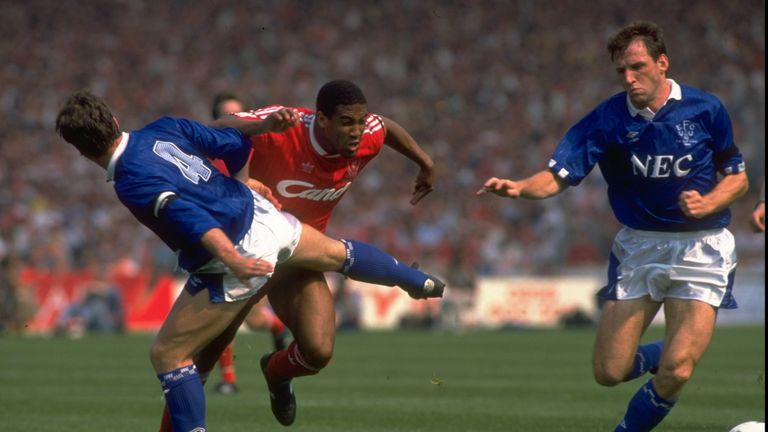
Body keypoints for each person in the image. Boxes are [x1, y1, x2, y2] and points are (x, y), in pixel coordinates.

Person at [55, 90, 444, 432]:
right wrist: (241, 180)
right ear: (115, 119)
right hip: (263, 214)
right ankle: (416, 280)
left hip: (235, 257)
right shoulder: (163, 127)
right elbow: (231, 143)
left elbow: (185, 217)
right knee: (335, 252)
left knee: (171, 355)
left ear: (81, 151)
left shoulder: (130, 179)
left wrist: (231, 257)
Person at [477, 21, 748, 432]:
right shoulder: (605, 119)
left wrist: (710, 201)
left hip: (702, 247)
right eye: (621, 70)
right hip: (639, 249)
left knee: (678, 371)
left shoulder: (706, 109)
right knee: (609, 371)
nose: (628, 78)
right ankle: (668, 350)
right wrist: (519, 188)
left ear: (662, 63)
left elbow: (737, 177)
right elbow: (558, 176)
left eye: (637, 66)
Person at [158, 79, 436, 429]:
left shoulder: (367, 135)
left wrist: (425, 162)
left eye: (360, 122)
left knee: (318, 350)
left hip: (300, 255)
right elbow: (215, 127)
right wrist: (260, 127)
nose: (357, 132)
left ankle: (275, 373)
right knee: (202, 358)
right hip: (250, 250)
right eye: (347, 123)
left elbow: (387, 127)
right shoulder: (284, 127)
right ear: (322, 120)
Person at [209, 91, 290, 396]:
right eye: (227, 117)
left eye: (239, 116)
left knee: (251, 319)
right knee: (221, 309)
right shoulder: (205, 151)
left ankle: (277, 328)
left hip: (249, 235)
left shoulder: (256, 148)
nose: (235, 123)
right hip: (215, 235)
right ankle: (228, 379)